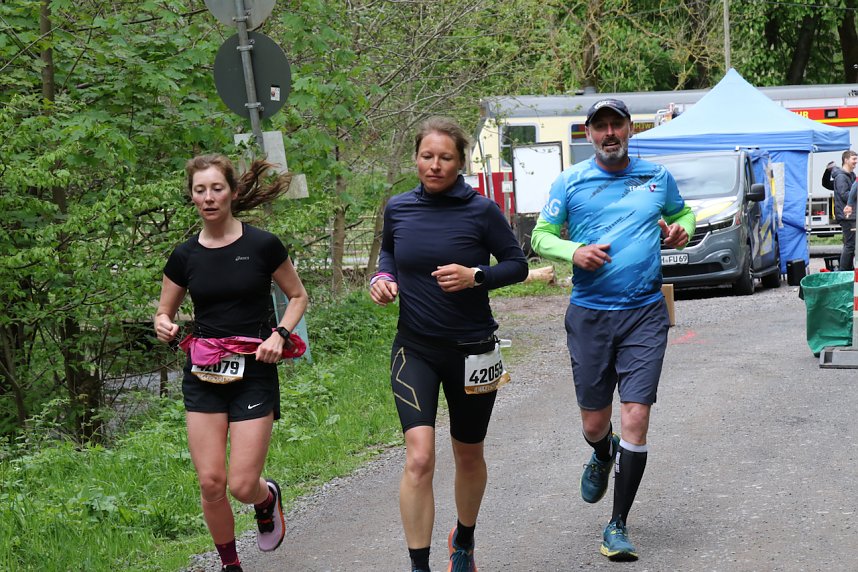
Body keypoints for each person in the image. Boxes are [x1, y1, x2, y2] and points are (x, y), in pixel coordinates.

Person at [530, 98, 695, 562]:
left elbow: (682, 214)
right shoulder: (571, 181)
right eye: (599, 126)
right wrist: (573, 251)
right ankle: (602, 453)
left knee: (636, 417)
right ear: (588, 134)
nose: (609, 133)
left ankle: (617, 524)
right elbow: (540, 235)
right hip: (590, 314)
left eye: (616, 125)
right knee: (594, 423)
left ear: (629, 130)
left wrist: (683, 228)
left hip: (644, 312)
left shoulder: (656, 177)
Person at [369, 117, 528, 572]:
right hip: (414, 348)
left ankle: (464, 539)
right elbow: (389, 255)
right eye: (426, 156)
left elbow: (516, 264)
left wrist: (476, 276)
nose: (434, 165)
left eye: (445, 158)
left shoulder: (481, 210)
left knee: (468, 452)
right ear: (415, 157)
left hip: (473, 351)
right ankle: (419, 565)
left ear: (460, 162)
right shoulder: (398, 208)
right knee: (419, 457)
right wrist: (383, 278)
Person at [154, 154, 308, 572]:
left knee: (241, 484)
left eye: (216, 188)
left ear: (233, 193)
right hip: (204, 371)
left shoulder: (262, 245)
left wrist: (281, 335)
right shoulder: (184, 256)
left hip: (254, 369)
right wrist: (165, 325)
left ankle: (266, 497)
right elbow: (163, 313)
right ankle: (230, 564)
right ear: (192, 197)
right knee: (211, 482)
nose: (208, 197)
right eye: (200, 190)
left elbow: (297, 297)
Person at [832, 150, 857, 271]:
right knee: (850, 245)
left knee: (852, 245)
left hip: (852, 215)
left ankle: (849, 271)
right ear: (846, 160)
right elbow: (845, 195)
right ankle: (842, 273)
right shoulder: (841, 177)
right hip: (847, 216)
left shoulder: (851, 175)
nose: (856, 162)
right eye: (854, 159)